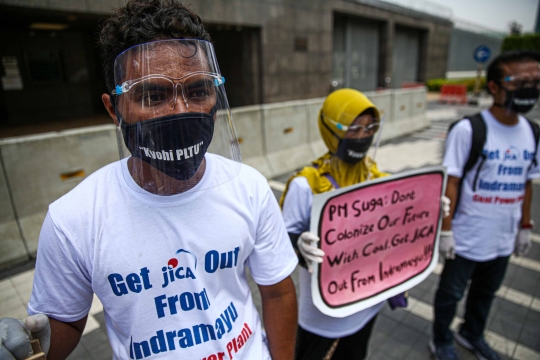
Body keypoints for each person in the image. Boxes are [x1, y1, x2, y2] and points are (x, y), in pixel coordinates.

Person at [0, 1, 298, 359]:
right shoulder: (74, 220)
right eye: (153, 95)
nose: (180, 109)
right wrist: (31, 346)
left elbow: (278, 292)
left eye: (198, 91)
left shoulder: (248, 187)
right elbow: (66, 323)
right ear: (115, 109)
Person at [430, 50, 540, 360]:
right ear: (494, 86)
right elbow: (451, 181)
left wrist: (525, 227)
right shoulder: (469, 130)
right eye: (520, 81)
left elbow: (527, 181)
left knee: (486, 293)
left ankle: (472, 334)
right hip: (467, 235)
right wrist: (446, 231)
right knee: (450, 294)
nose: (530, 88)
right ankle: (441, 341)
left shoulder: (532, 133)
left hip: (503, 236)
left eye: (535, 81)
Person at [280, 88, 387, 360]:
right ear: (330, 128)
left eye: (370, 127)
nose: (363, 136)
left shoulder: (379, 179)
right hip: (322, 312)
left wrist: (430, 208)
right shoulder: (306, 185)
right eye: (352, 128)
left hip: (368, 302)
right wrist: (298, 245)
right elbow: (283, 242)